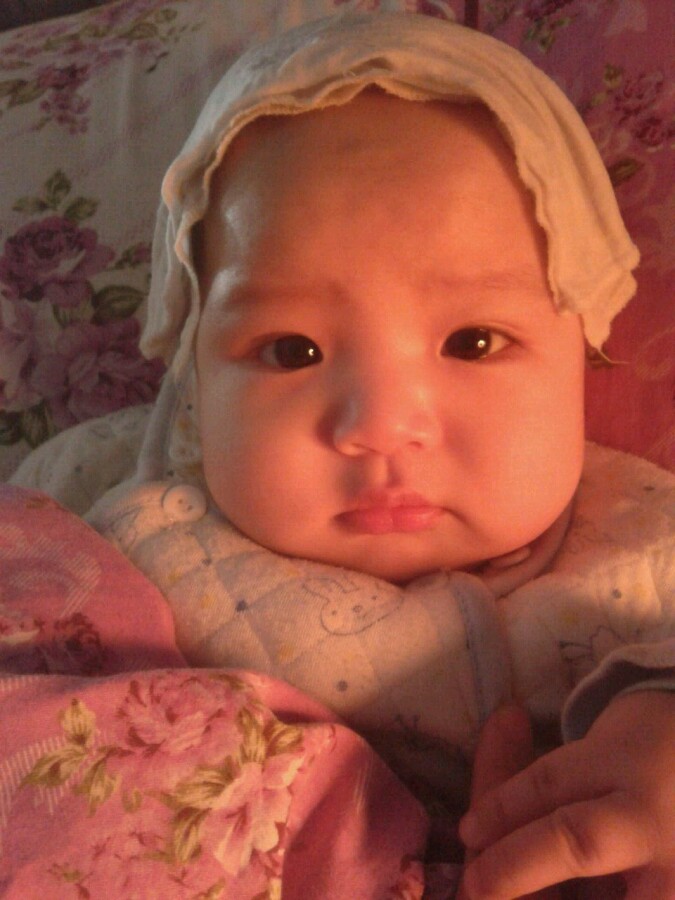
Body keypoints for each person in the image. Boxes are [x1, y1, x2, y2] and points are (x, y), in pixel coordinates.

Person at [10, 12, 675, 898]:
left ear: (582, 352)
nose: (380, 426)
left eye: (474, 342)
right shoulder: (111, 526)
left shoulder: (647, 545)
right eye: (292, 351)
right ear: (195, 376)